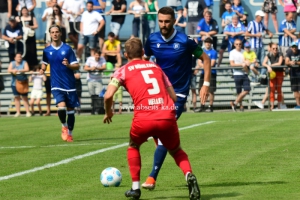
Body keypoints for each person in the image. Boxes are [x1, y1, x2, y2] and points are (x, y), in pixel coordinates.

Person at [103, 37, 201, 200]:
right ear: (142, 52)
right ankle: (188, 174)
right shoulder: (156, 68)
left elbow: (107, 96)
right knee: (176, 151)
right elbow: (174, 98)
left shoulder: (123, 70)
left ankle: (135, 188)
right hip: (166, 116)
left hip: (143, 119)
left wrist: (109, 112)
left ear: (126, 55)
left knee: (133, 145)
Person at [142, 7, 211, 190]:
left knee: (163, 133)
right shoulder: (152, 40)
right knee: (159, 135)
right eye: (161, 21)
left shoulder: (185, 41)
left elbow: (205, 59)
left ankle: (152, 177)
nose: (163, 25)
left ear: (174, 21)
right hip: (157, 95)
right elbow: (143, 61)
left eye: (167, 21)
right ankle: (186, 171)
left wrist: (205, 84)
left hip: (177, 95)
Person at [40, 24, 80, 142]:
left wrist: (68, 65)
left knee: (71, 111)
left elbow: (76, 65)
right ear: (50, 34)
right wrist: (42, 69)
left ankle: (70, 133)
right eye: (52, 32)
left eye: (57, 32)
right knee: (61, 107)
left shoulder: (67, 49)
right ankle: (64, 126)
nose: (55, 34)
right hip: (56, 84)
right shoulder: (47, 50)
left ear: (60, 33)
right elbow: (45, 62)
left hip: (69, 84)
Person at [258, 43, 284, 110]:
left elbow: (279, 63)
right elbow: (263, 63)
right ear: (271, 49)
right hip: (272, 73)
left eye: (276, 48)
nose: (275, 50)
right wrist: (268, 66)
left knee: (279, 89)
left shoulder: (280, 54)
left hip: (279, 72)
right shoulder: (269, 54)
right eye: (273, 48)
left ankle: (279, 105)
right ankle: (272, 106)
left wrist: (271, 65)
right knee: (272, 89)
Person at [7, 52, 31, 117]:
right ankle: (18, 112)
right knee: (16, 97)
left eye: (20, 57)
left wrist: (19, 70)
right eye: (18, 57)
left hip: (23, 83)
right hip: (14, 83)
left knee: (25, 97)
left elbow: (27, 69)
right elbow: (8, 70)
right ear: (15, 58)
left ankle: (28, 112)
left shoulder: (24, 62)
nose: (19, 58)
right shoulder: (12, 63)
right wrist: (13, 70)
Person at [229, 39, 250, 112]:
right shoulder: (232, 52)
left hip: (244, 73)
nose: (238, 45)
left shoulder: (244, 52)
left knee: (247, 90)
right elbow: (232, 64)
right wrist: (241, 64)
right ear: (234, 45)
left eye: (240, 44)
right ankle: (241, 106)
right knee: (239, 91)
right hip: (237, 73)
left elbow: (248, 61)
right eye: (237, 44)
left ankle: (234, 103)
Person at [84, 49, 106, 114]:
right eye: (96, 55)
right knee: (92, 95)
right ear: (94, 55)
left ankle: (99, 109)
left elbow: (104, 67)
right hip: (90, 79)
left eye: (98, 55)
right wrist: (91, 68)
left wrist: (97, 68)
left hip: (98, 79)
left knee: (99, 95)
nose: (97, 57)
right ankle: (93, 109)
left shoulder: (102, 59)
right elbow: (85, 68)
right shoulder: (89, 59)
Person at [16, 6, 38, 70]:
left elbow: (36, 26)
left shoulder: (32, 17)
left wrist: (30, 26)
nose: (24, 12)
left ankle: (32, 66)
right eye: (23, 11)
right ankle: (25, 65)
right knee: (24, 50)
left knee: (32, 50)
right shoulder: (18, 18)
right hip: (22, 37)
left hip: (30, 37)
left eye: (25, 10)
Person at [198, 37, 217, 112]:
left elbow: (212, 64)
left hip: (211, 73)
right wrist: (205, 65)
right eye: (206, 42)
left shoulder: (213, 52)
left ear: (211, 43)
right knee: (201, 89)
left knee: (211, 90)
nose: (208, 43)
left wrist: (204, 65)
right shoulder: (202, 51)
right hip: (203, 73)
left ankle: (210, 105)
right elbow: (199, 63)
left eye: (209, 42)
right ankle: (202, 105)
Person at [285, 41, 300, 108]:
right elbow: (286, 62)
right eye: (293, 46)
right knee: (295, 90)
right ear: (291, 47)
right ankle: (298, 105)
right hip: (293, 74)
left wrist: (296, 63)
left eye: (295, 46)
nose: (294, 48)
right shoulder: (289, 52)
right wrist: (290, 63)